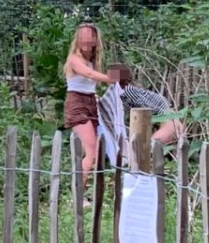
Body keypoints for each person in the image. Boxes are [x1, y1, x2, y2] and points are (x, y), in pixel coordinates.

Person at [63, 23, 116, 186]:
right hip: (77, 105)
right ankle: (77, 195)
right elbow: (89, 74)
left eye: (89, 37)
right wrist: (112, 78)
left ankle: (93, 191)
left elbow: (90, 81)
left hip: (92, 103)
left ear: (95, 40)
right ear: (77, 40)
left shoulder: (92, 61)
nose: (85, 40)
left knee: (98, 150)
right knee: (91, 153)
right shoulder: (74, 59)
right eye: (82, 37)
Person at [108, 63, 182, 146]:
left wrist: (156, 119)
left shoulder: (127, 91)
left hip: (164, 114)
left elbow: (147, 106)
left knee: (150, 147)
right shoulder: (123, 91)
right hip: (163, 114)